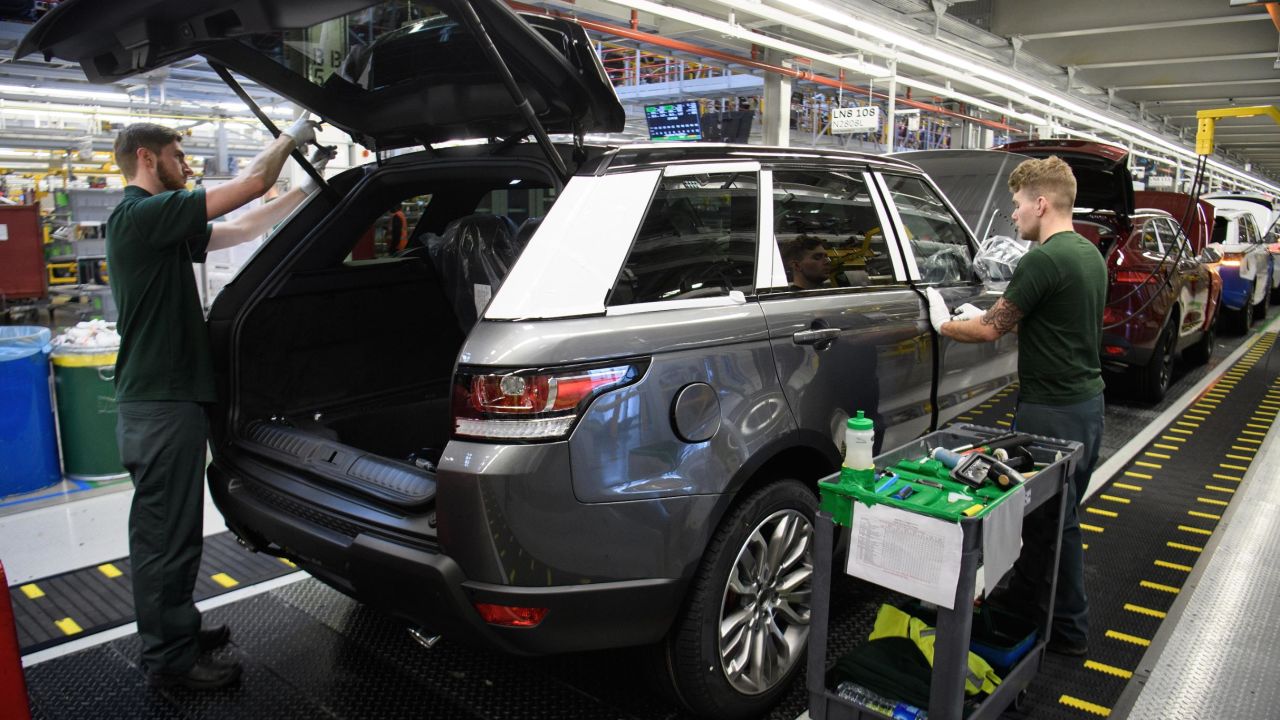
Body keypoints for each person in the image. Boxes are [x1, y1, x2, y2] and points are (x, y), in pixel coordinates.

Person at [107, 117, 326, 690]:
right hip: (159, 404)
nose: (188, 165)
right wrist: (290, 139)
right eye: (178, 155)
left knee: (174, 532)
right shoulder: (140, 215)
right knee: (164, 538)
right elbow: (251, 185)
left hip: (170, 400)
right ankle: (170, 658)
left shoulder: (163, 225)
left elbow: (246, 223)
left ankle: (175, 629)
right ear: (147, 159)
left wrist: (309, 189)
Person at [925, 155, 1106, 657]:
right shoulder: (1087, 254)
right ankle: (1035, 611)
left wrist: (944, 320)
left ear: (1041, 203)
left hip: (1051, 412)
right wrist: (986, 312)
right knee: (1055, 521)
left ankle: (1068, 630)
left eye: (1018, 204)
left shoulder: (1043, 259)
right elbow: (1046, 317)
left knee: (1050, 524)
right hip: (1087, 406)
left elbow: (988, 330)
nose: (1013, 214)